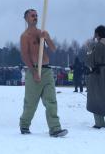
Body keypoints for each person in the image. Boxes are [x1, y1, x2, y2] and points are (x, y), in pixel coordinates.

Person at [19, 9, 68, 137]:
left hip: (47, 71)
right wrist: (34, 71)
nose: (35, 17)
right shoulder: (25, 36)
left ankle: (55, 128)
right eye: (32, 16)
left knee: (51, 101)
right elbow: (25, 56)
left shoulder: (42, 33)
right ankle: (24, 125)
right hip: (34, 71)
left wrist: (47, 38)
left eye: (36, 15)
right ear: (26, 19)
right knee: (31, 103)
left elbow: (53, 48)